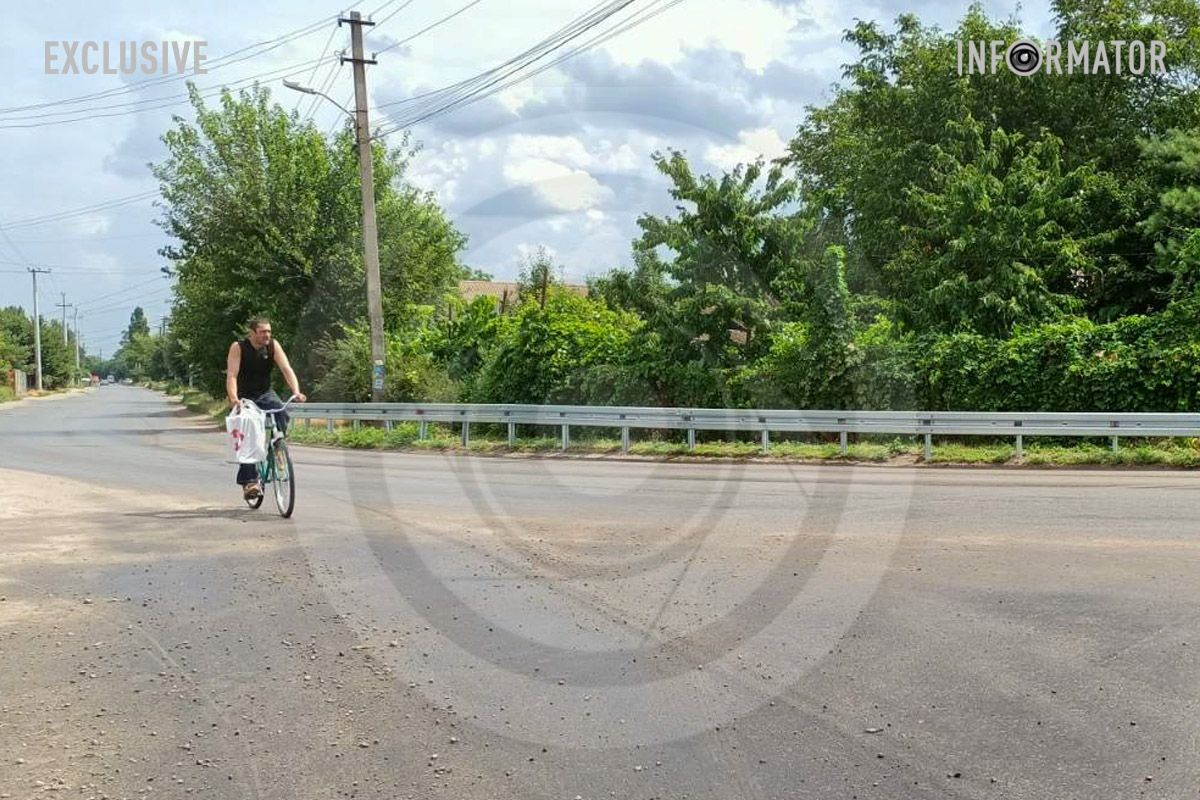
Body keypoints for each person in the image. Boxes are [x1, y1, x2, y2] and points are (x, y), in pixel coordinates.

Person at [226, 317, 306, 500]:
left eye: (269, 331)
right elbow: (232, 375)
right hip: (246, 397)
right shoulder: (238, 347)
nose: (267, 335)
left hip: (265, 394)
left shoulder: (273, 346)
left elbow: (286, 368)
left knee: (282, 411)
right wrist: (234, 398)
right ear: (252, 333)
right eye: (263, 332)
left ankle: (278, 447)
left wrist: (296, 391)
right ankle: (250, 482)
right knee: (248, 430)